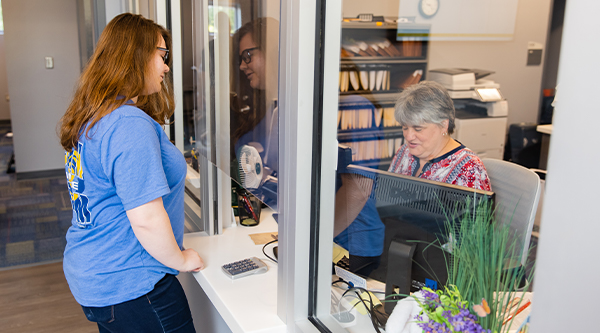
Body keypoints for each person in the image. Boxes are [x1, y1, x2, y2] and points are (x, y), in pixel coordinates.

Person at [58, 13, 203, 332]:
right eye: (161, 54)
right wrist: (180, 259)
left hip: (98, 277)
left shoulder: (94, 118)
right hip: (133, 282)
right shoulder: (127, 124)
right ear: (134, 54)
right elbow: (146, 217)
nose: (166, 66)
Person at [388, 81, 491, 191]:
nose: (408, 136)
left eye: (418, 129)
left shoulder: (469, 169)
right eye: (405, 128)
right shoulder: (405, 151)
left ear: (443, 125)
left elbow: (477, 208)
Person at [230, 18, 279, 208]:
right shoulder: (266, 107)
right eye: (241, 58)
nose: (243, 66)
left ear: (273, 51)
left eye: (248, 55)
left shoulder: (301, 107)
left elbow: (358, 188)